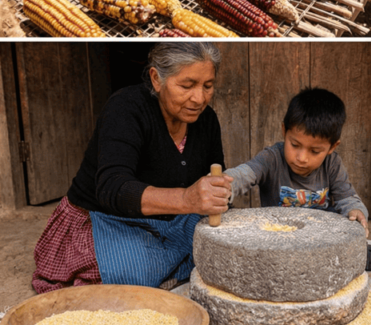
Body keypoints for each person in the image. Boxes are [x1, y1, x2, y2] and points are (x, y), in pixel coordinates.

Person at [33, 43, 231, 293]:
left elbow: (213, 180)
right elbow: (113, 189)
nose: (199, 98)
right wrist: (186, 198)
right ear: (156, 79)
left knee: (224, 251)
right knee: (134, 274)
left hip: (174, 218)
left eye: (208, 86)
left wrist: (216, 194)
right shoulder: (126, 108)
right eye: (186, 86)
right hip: (107, 219)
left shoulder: (206, 120)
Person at [223, 88, 371, 273]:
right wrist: (225, 184)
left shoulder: (332, 164)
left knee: (343, 244)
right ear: (284, 131)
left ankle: (364, 258)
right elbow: (244, 174)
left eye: (315, 151)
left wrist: (356, 211)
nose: (302, 158)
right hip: (278, 241)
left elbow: (347, 198)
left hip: (321, 241)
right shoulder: (271, 158)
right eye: (295, 145)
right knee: (259, 254)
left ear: (332, 147)